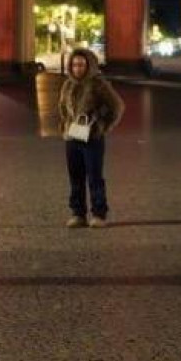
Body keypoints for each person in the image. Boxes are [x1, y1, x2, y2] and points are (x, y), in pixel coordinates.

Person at [57, 48, 124, 229]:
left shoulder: (98, 84)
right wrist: (65, 124)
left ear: (89, 65)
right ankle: (78, 214)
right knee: (75, 177)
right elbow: (62, 107)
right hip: (72, 137)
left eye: (81, 64)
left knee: (95, 177)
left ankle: (98, 214)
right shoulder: (68, 85)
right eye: (75, 64)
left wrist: (101, 125)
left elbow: (116, 107)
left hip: (92, 139)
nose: (78, 68)